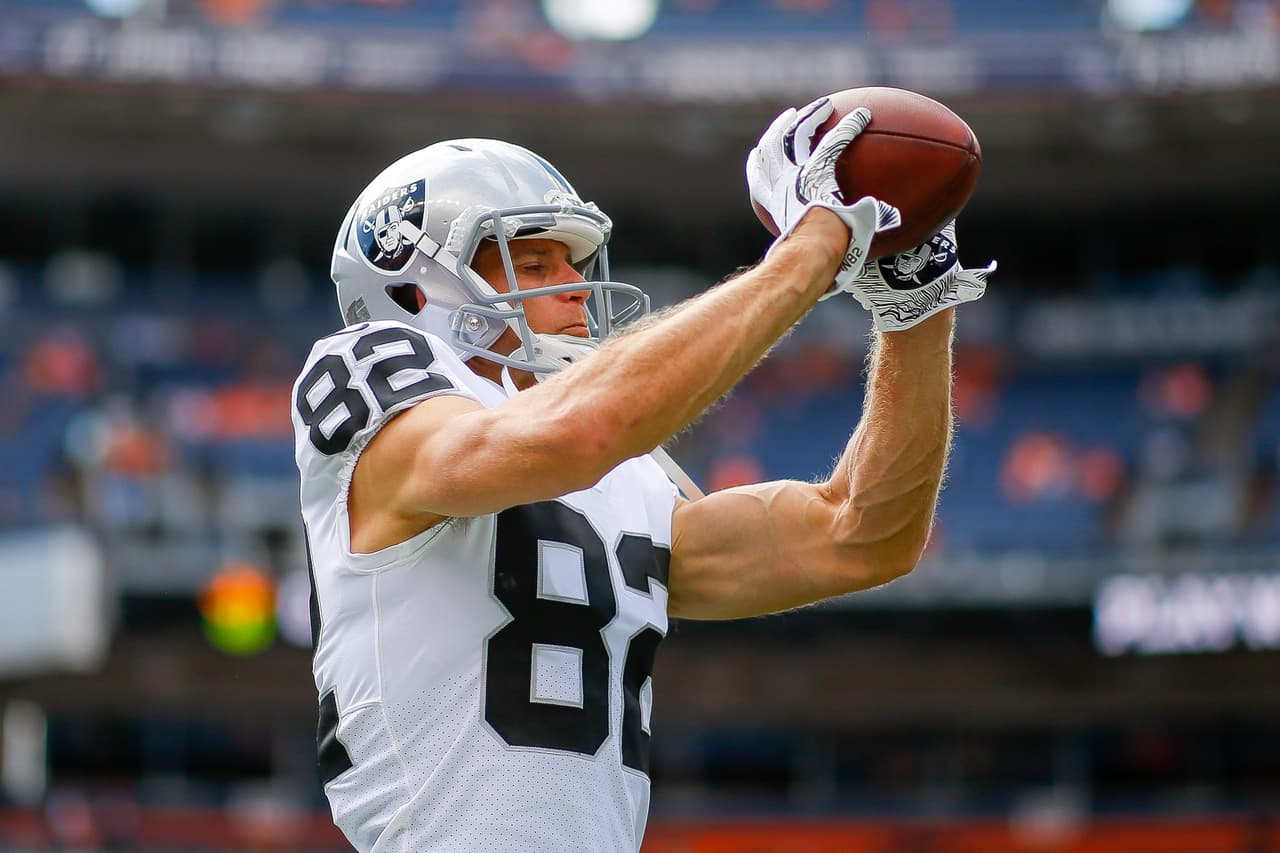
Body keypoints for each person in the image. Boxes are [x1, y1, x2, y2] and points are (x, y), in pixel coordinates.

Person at [291, 98, 994, 852]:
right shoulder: (372, 368)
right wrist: (811, 245)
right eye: (532, 262)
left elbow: (860, 534)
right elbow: (575, 432)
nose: (568, 284)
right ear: (410, 292)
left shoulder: (621, 471)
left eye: (571, 261)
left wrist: (917, 304)